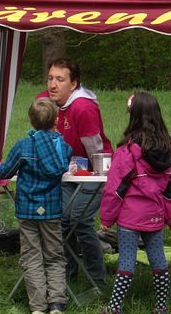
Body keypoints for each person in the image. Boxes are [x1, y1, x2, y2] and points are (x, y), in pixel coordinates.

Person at [99, 92, 171, 314]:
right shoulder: (169, 150)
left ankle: (114, 308)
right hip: (155, 216)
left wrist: (106, 219)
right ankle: (161, 307)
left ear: (133, 116)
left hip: (129, 218)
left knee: (126, 262)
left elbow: (114, 189)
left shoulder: (127, 151)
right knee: (159, 261)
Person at [0, 98, 72, 314]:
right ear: (56, 119)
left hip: (27, 210)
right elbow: (66, 158)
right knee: (54, 255)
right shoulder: (62, 147)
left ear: (31, 121)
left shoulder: (23, 145)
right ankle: (57, 303)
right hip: (51, 210)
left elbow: (6, 171)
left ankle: (37, 306)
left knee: (31, 257)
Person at [37, 58, 112, 289]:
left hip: (94, 170)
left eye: (60, 79)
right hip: (64, 172)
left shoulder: (83, 107)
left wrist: (99, 178)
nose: (53, 84)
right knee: (62, 221)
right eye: (50, 78)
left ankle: (96, 279)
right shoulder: (44, 102)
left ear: (74, 84)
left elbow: (96, 150)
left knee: (79, 220)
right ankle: (68, 276)